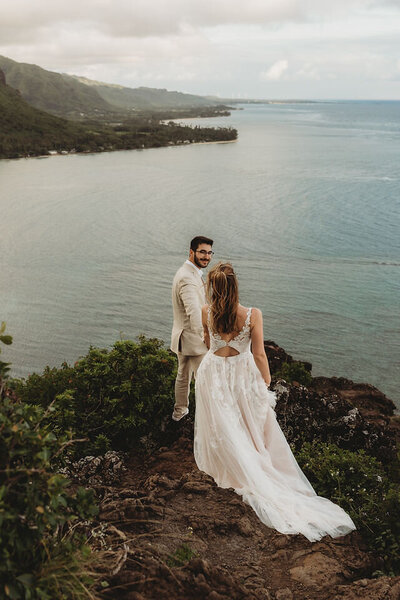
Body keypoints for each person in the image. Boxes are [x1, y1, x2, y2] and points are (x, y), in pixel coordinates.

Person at [194, 262, 356, 542]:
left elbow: (210, 344)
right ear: (235, 286)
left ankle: (228, 464)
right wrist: (266, 380)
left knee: (222, 423)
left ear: (212, 287)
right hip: (242, 373)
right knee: (248, 423)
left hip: (214, 373)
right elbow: (259, 353)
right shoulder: (252, 314)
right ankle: (253, 464)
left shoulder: (206, 312)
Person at [170, 236, 214, 421]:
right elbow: (194, 313)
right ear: (191, 252)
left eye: (210, 253)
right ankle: (208, 417)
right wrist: (206, 337)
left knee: (183, 375)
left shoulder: (188, 272)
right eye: (202, 252)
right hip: (193, 339)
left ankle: (180, 412)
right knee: (205, 379)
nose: (207, 257)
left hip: (182, 337)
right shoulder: (187, 278)